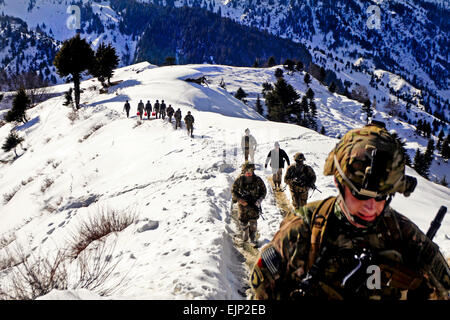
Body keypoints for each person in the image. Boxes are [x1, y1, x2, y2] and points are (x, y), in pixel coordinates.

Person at [250, 121, 450, 300]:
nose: (371, 206)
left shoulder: (406, 238)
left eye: (381, 196)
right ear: (338, 183)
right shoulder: (303, 229)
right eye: (360, 195)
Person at [232, 162, 267, 245]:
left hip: (254, 205)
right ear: (243, 171)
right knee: (242, 222)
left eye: (250, 172)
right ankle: (245, 232)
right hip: (243, 205)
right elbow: (233, 191)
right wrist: (239, 200)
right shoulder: (239, 179)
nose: (248, 174)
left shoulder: (258, 180)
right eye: (246, 172)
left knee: (253, 222)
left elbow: (264, 191)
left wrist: (259, 200)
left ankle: (252, 238)